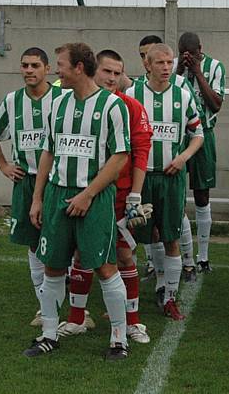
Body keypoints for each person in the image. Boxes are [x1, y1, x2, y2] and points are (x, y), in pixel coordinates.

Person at [23, 42, 131, 360]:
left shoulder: (112, 105)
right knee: (54, 267)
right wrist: (38, 198)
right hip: (57, 194)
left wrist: (87, 194)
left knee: (106, 268)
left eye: (61, 65)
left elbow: (120, 157)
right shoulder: (57, 104)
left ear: (79, 68)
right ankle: (48, 335)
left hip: (93, 198)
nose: (57, 70)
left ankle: (119, 340)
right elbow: (48, 152)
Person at [56, 50, 153, 344]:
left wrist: (135, 195)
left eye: (116, 73)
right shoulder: (71, 104)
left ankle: (133, 322)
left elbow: (139, 154)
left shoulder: (131, 107)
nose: (111, 78)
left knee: (123, 255)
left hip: (120, 195)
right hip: (84, 192)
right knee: (81, 253)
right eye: (106, 72)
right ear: (93, 71)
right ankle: (76, 319)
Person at [0, 47, 63, 326]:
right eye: (24, 65)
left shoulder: (61, 98)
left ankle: (76, 307)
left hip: (58, 182)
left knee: (63, 243)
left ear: (47, 69)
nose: (29, 70)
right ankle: (44, 307)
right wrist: (4, 166)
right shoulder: (11, 101)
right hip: (26, 182)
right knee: (33, 243)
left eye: (34, 65)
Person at [126, 43, 204, 320]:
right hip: (140, 179)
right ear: (147, 65)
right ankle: (128, 300)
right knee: (132, 237)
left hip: (171, 179)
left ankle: (169, 296)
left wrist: (183, 157)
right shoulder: (131, 94)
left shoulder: (183, 96)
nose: (166, 68)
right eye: (160, 63)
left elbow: (198, 134)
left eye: (170, 63)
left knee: (171, 237)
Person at [176, 32, 226, 273]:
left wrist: (196, 71)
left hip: (203, 133)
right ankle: (179, 257)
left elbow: (215, 103)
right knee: (174, 195)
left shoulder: (214, 66)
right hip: (177, 137)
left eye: (192, 54)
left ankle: (203, 256)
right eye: (183, 54)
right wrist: (178, 68)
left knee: (202, 195)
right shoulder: (174, 68)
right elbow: (169, 90)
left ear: (200, 50)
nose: (188, 59)